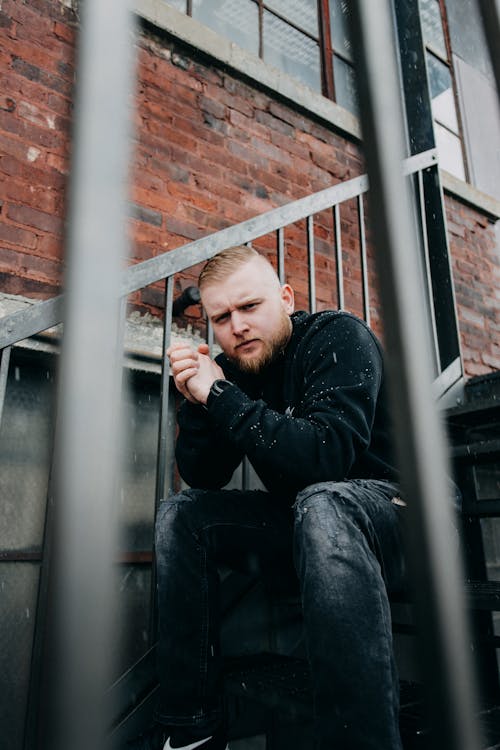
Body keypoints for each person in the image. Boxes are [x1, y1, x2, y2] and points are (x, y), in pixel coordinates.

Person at [130, 245, 406, 750]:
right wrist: (195, 404)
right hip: (310, 524)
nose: (236, 326)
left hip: (399, 517)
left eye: (250, 307)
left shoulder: (338, 337)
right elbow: (204, 475)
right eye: (221, 317)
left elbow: (328, 457)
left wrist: (221, 397)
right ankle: (191, 730)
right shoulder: (233, 369)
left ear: (285, 297)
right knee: (184, 515)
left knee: (324, 501)